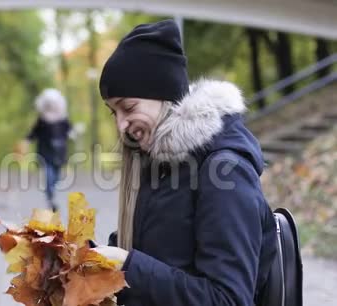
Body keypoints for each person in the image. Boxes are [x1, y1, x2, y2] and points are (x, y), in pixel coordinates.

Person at [91, 20, 278, 306]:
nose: (120, 125)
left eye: (128, 108)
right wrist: (86, 258)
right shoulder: (159, 164)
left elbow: (228, 299)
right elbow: (156, 254)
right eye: (112, 112)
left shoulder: (225, 171)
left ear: (163, 93)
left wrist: (128, 265)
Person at [23, 88, 72, 211]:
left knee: (56, 176)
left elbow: (69, 131)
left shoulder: (63, 119)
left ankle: (51, 192)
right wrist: (27, 140)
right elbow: (34, 132)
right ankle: (50, 196)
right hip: (45, 152)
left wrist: (74, 133)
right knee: (49, 174)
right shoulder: (42, 120)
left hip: (59, 153)